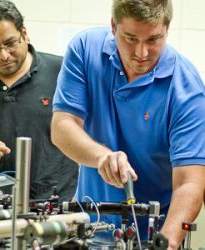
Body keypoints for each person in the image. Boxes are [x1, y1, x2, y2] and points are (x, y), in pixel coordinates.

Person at [51, 0, 205, 248]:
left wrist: (165, 243)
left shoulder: (186, 88)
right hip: (86, 229)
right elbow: (62, 127)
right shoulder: (85, 48)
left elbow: (190, 183)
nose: (141, 53)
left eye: (153, 40)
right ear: (114, 26)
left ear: (167, 29)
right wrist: (102, 156)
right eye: (131, 38)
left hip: (152, 235)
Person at [0, 0, 78, 202]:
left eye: (10, 43)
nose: (4, 55)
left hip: (54, 207)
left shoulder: (62, 71)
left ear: (24, 33)